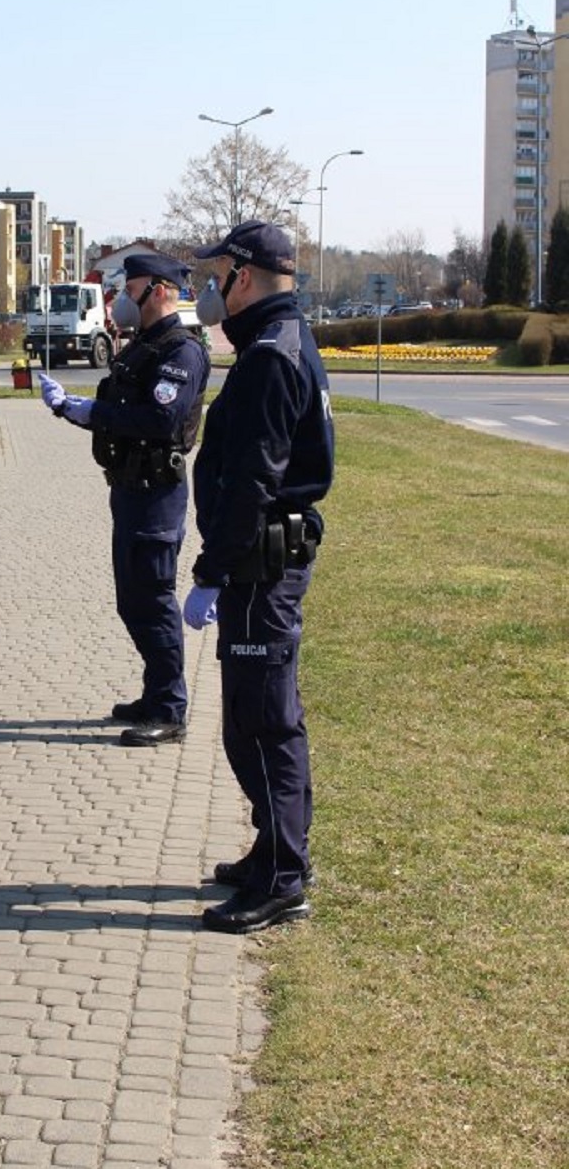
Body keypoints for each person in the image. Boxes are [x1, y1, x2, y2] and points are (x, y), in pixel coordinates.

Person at [182, 221, 334, 933]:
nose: (211, 289)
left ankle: (282, 878)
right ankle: (272, 849)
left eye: (217, 277)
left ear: (243, 277)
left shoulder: (272, 356)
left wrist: (212, 569)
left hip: (258, 567)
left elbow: (253, 480)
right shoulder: (280, 342)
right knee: (252, 718)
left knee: (263, 723)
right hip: (259, 564)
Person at [39, 252, 211, 746]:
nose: (119, 298)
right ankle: (155, 693)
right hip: (130, 490)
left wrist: (93, 410)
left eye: (128, 288)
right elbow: (120, 407)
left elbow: (160, 420)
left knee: (152, 602)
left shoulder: (180, 350)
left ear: (158, 290)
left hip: (157, 495)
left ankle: (170, 709)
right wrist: (74, 409)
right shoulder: (144, 346)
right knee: (132, 602)